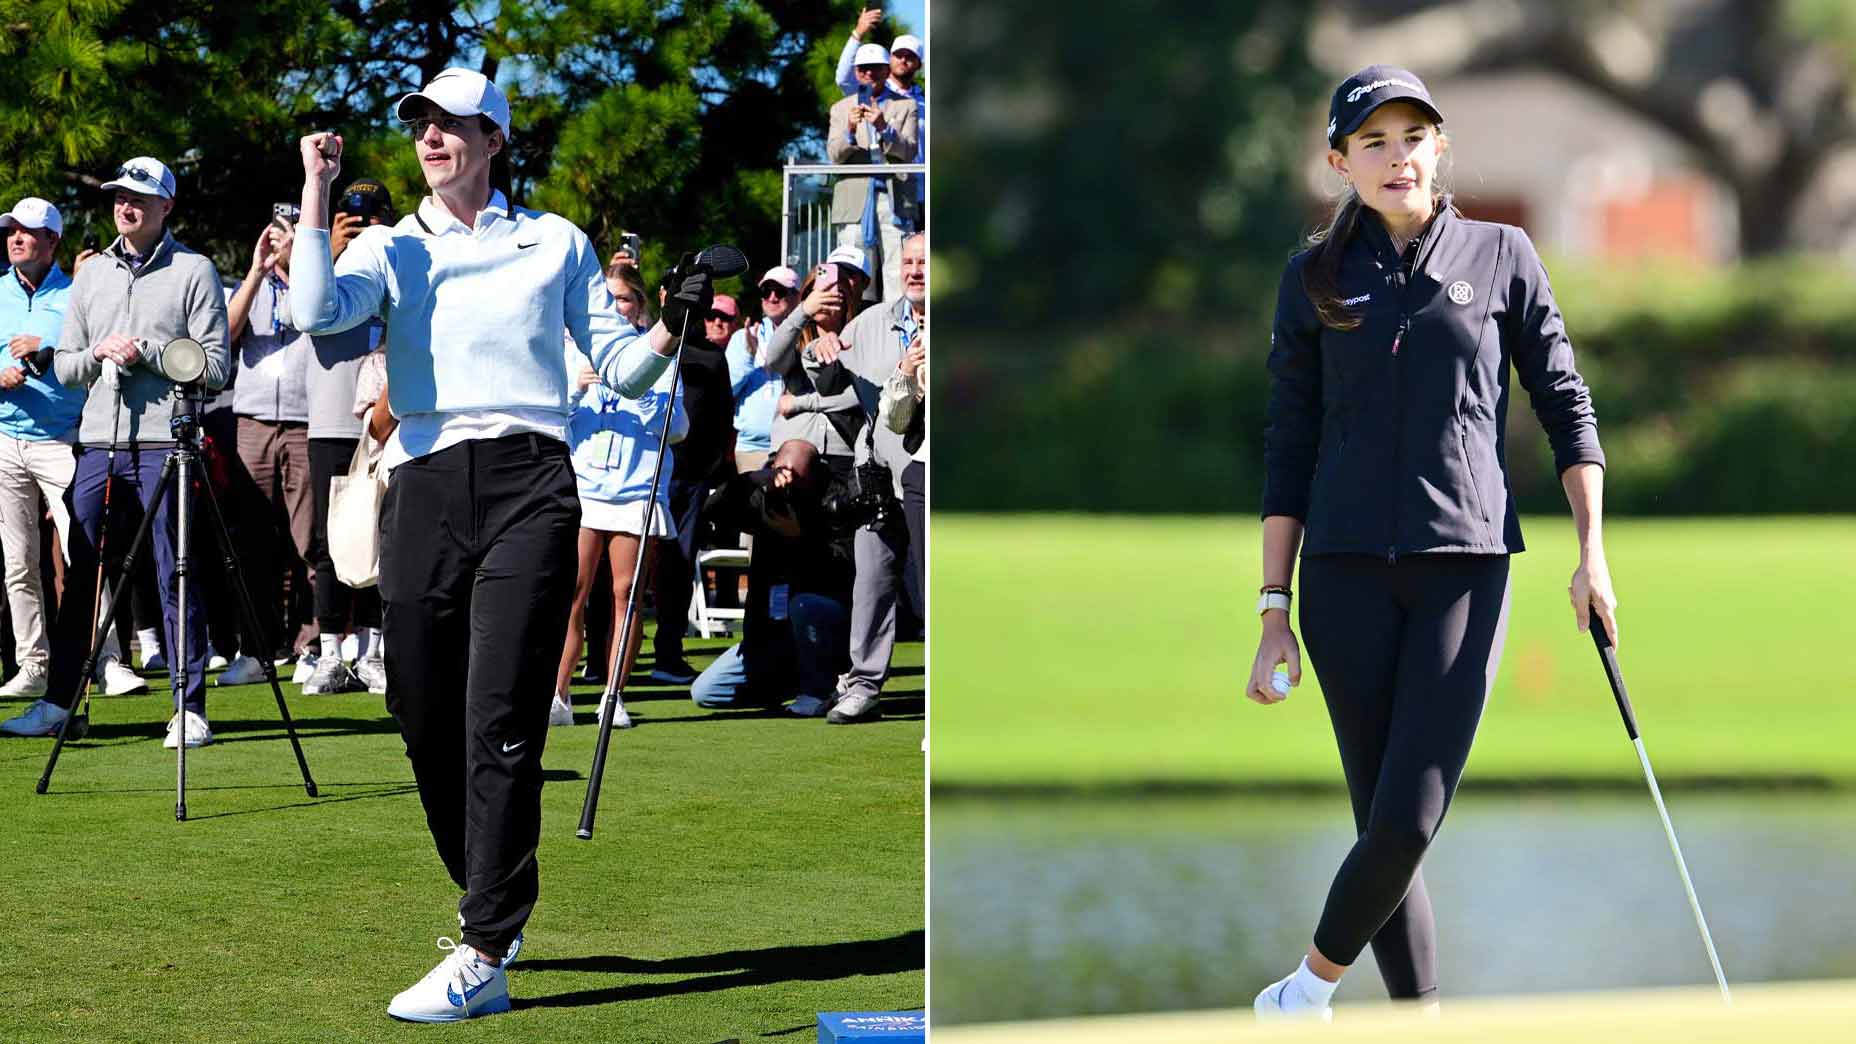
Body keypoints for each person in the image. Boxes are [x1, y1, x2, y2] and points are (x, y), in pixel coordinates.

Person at [288, 68, 713, 1022]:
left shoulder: (554, 241)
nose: (431, 140)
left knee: (499, 712)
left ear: (494, 139)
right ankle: (487, 881)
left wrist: (673, 323)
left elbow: (624, 370)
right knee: (419, 704)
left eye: (450, 126)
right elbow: (317, 312)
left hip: (531, 480)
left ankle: (485, 940)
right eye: (422, 127)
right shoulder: (395, 246)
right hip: (427, 479)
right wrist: (317, 192)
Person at [1247, 67, 1614, 1020]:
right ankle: (1423, 1026)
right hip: (1342, 575)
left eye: (1413, 136)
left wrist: (1593, 554)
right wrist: (1272, 609)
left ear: (1438, 148)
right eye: (1372, 142)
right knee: (1384, 829)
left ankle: (1302, 992)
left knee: (1411, 815)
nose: (1396, 155)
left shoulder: (1504, 253)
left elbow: (1566, 405)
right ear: (1340, 162)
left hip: (1466, 566)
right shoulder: (1314, 276)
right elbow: (1288, 445)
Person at [3, 157, 231, 745]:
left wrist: (148, 352)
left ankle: (190, 708)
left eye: (138, 197)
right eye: (118, 196)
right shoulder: (93, 276)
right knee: (82, 574)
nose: (124, 205)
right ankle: (61, 703)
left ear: (165, 207)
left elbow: (214, 368)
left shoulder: (195, 270)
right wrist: (100, 354)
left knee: (174, 569)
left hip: (164, 442)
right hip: (99, 442)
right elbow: (70, 366)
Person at [551, 261, 684, 730]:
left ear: (639, 305)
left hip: (634, 491)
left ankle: (613, 695)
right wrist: (574, 388)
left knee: (625, 593)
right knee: (571, 591)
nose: (615, 306)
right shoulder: (571, 352)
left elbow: (679, 428)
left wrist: (642, 393)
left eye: (623, 299)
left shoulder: (660, 354)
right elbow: (552, 421)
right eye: (607, 299)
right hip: (584, 487)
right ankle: (559, 694)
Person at [803, 233, 924, 725]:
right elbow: (832, 386)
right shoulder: (872, 322)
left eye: (925, 263)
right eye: (910, 262)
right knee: (871, 581)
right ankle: (864, 684)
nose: (916, 271)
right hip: (878, 477)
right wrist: (821, 349)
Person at [223, 207, 325, 686]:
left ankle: (311, 645)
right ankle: (255, 648)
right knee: (253, 543)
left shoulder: (319, 282)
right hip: (254, 422)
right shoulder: (249, 284)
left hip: (307, 423)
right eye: (275, 233)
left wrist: (300, 268)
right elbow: (223, 334)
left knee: (309, 541)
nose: (279, 241)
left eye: (290, 234)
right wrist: (256, 271)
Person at [303, 178, 395, 694]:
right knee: (328, 541)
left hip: (388, 418)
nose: (361, 227)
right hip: (333, 421)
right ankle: (330, 651)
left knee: (385, 536)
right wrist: (332, 252)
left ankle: (374, 650)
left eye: (371, 218)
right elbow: (308, 314)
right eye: (351, 218)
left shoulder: (395, 258)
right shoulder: (324, 266)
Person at [689, 439, 854, 713]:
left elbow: (845, 564)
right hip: (770, 634)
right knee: (706, 691)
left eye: (796, 480)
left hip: (823, 628)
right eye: (782, 474)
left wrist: (801, 537)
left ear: (813, 476)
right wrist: (760, 478)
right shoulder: (763, 493)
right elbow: (712, 508)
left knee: (805, 605)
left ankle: (819, 689)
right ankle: (788, 684)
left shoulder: (835, 498)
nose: (788, 487)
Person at [0, 198, 83, 700]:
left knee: (85, 553)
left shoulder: (77, 296)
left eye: (28, 232)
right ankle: (32, 663)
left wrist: (45, 351)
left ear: (52, 241)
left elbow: (87, 359)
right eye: (11, 230)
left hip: (62, 439)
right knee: (18, 561)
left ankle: (105, 658)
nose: (16, 238)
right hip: (6, 439)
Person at [646, 274, 734, 687]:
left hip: (690, 479)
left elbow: (722, 421)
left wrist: (713, 473)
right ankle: (599, 664)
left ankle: (668, 654)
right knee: (619, 574)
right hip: (641, 476)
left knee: (678, 567)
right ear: (662, 297)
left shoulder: (712, 358)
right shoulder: (644, 350)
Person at [827, 43, 919, 303]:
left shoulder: (906, 105)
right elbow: (834, 155)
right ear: (856, 72)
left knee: (897, 270)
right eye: (863, 69)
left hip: (894, 199)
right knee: (854, 273)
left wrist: (884, 127)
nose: (869, 74)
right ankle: (855, 332)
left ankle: (901, 335)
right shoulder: (840, 108)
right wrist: (849, 131)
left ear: (886, 69)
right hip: (855, 202)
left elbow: (910, 151)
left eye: (876, 68)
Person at [727, 266, 798, 475]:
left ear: (797, 297)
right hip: (752, 448)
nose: (772, 297)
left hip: (794, 445)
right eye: (766, 291)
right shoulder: (743, 337)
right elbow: (726, 390)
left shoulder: (807, 335)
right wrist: (748, 357)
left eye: (781, 291)